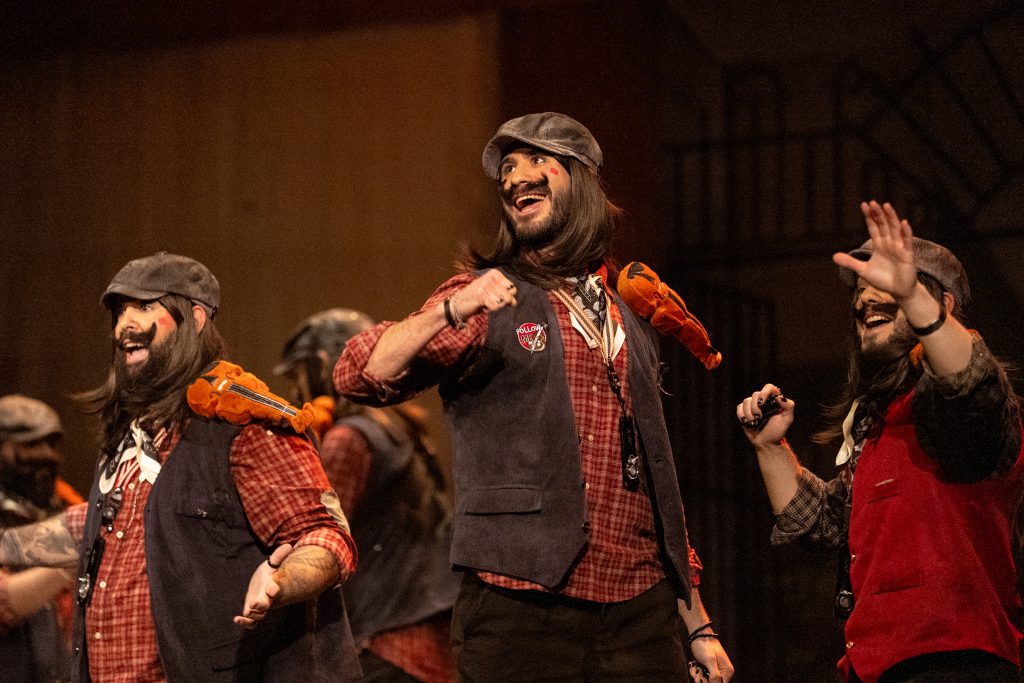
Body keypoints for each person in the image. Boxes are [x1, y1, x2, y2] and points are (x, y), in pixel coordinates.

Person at [335, 112, 734, 682]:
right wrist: (452, 309)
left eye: (538, 160)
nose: (516, 177)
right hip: (520, 604)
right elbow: (358, 374)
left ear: (583, 178)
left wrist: (697, 625)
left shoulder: (628, 315)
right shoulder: (488, 297)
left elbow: (654, 483)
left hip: (639, 610)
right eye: (508, 169)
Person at [0, 253, 362, 682]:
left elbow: (326, 535)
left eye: (144, 306)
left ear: (195, 317)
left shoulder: (243, 426)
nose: (124, 326)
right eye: (120, 312)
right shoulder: (133, 434)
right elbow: (98, 524)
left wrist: (282, 581)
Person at [737, 201, 1024, 682]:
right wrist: (769, 447)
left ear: (941, 304)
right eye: (862, 290)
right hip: (874, 668)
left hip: (954, 664)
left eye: (886, 286)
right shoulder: (878, 424)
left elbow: (970, 383)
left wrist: (912, 296)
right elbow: (823, 524)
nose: (866, 299)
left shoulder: (964, 407)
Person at [275, 308, 459, 682]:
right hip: (429, 647)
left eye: (299, 376)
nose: (296, 392)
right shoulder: (400, 430)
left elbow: (314, 542)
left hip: (384, 650)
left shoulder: (350, 439)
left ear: (323, 366)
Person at [0, 394, 83, 682]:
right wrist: (72, 559)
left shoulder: (66, 503)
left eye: (52, 444)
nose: (46, 455)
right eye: (31, 444)